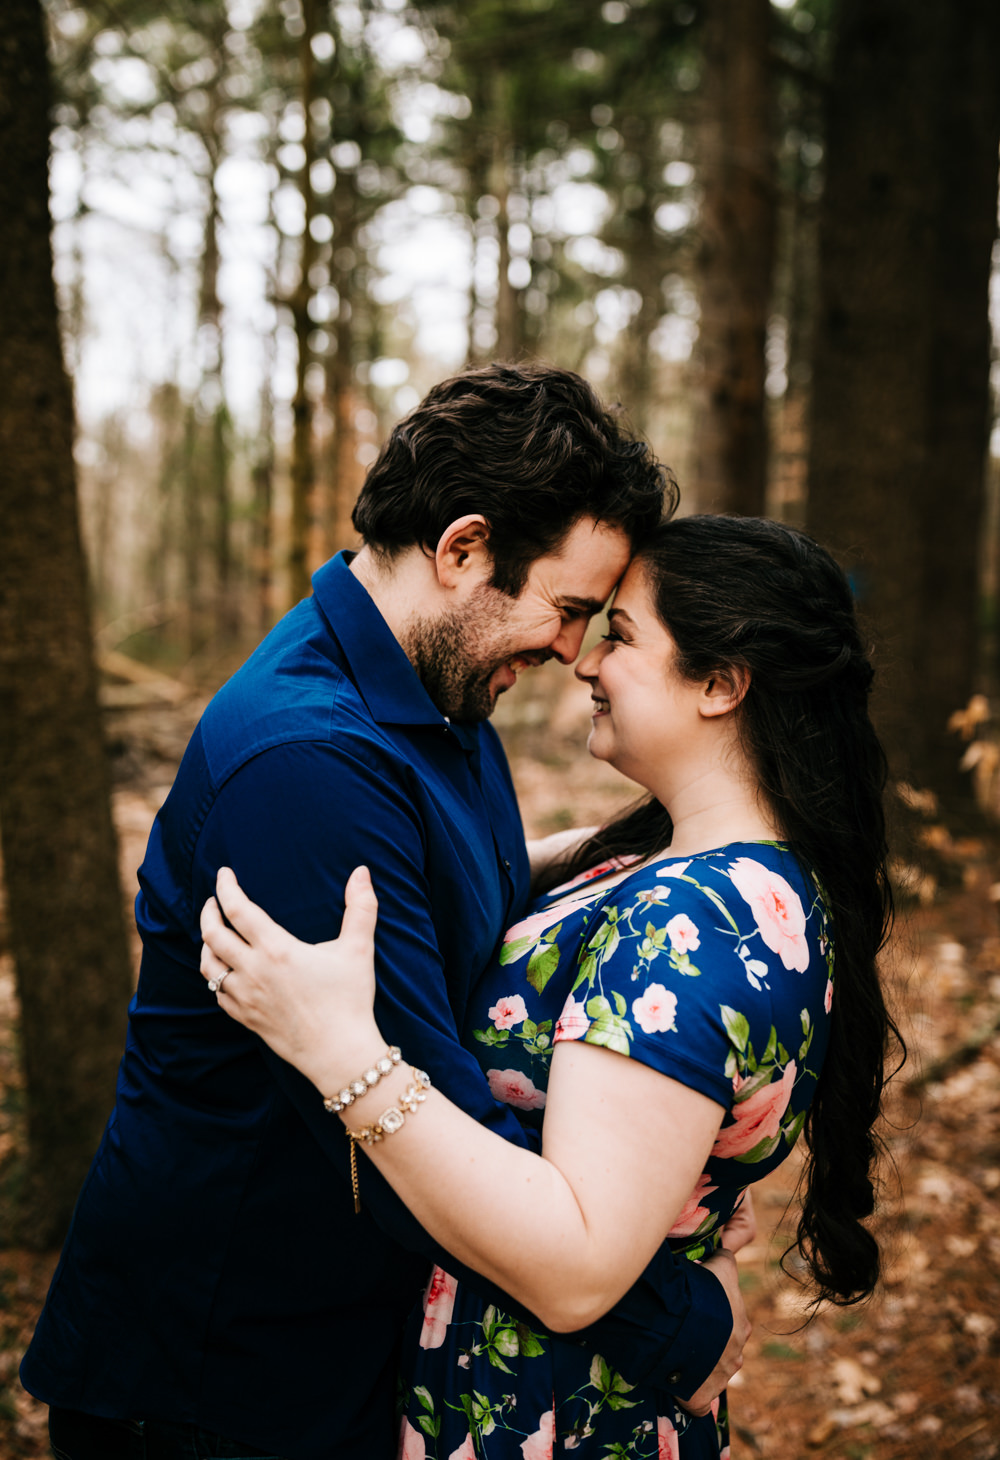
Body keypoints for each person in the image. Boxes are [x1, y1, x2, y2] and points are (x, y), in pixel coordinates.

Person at [22, 366, 749, 1460]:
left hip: (326, 1352)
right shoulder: (309, 767)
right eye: (564, 609)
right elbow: (415, 1127)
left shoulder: (436, 699)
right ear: (462, 549)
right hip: (212, 1383)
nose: (569, 650)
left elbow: (468, 896)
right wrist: (679, 1319)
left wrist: (640, 856)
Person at [199, 514, 900, 1460]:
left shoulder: (692, 924)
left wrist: (344, 1055)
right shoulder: (694, 870)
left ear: (722, 684)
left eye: (621, 634)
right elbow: (519, 906)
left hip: (552, 1412)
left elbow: (576, 1267)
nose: (585, 661)